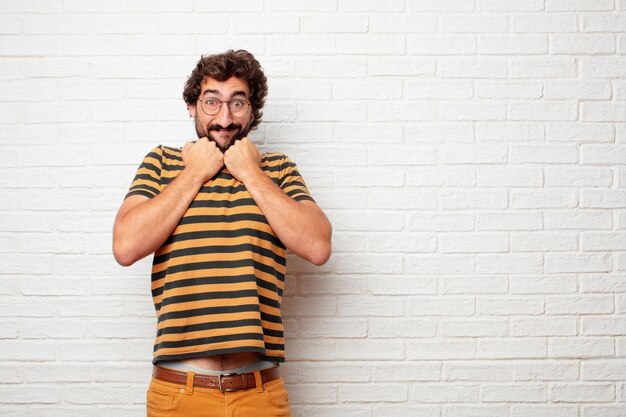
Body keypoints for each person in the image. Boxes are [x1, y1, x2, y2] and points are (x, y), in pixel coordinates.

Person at [112, 49, 332, 417]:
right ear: (192, 106)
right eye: (211, 102)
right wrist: (194, 172)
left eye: (238, 103)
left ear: (252, 110)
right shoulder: (162, 163)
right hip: (179, 395)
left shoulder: (275, 169)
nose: (224, 118)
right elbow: (126, 246)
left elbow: (318, 246)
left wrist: (251, 174)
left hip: (260, 395)